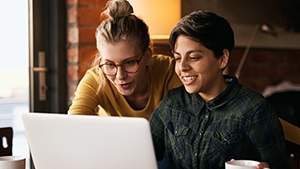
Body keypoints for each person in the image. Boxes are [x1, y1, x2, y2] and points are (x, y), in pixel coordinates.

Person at [149, 10, 291, 169]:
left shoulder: (254, 110)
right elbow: (145, 152)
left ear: (222, 59)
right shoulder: (172, 103)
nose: (182, 67)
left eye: (194, 57)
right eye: (177, 58)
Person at [67, 0, 181, 120]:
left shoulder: (170, 70)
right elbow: (73, 124)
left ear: (147, 57)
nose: (120, 76)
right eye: (110, 64)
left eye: (129, 63)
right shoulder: (96, 78)